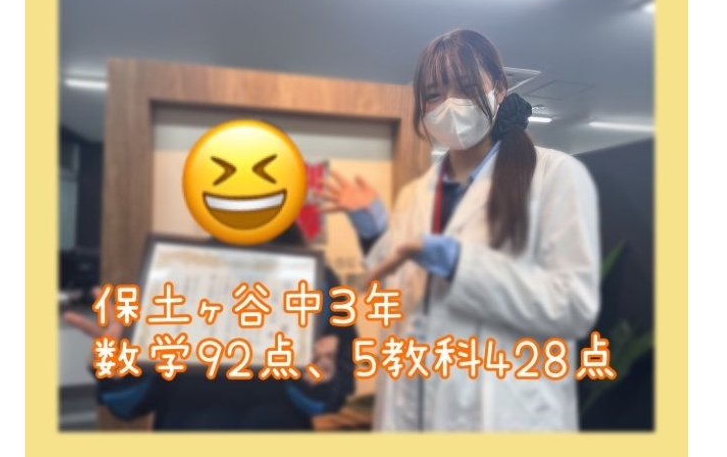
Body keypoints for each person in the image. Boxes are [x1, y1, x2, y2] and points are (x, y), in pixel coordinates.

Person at [318, 28, 601, 431]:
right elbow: (404, 295)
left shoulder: (554, 176)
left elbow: (571, 306)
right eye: (434, 95)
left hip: (505, 417)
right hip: (418, 410)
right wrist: (374, 230)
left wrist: (460, 264)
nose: (449, 105)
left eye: (466, 89)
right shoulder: (419, 194)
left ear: (499, 89)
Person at [62, 223, 356, 430]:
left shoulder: (320, 281)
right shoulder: (175, 270)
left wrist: (316, 378)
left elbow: (331, 399)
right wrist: (118, 370)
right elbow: (127, 406)